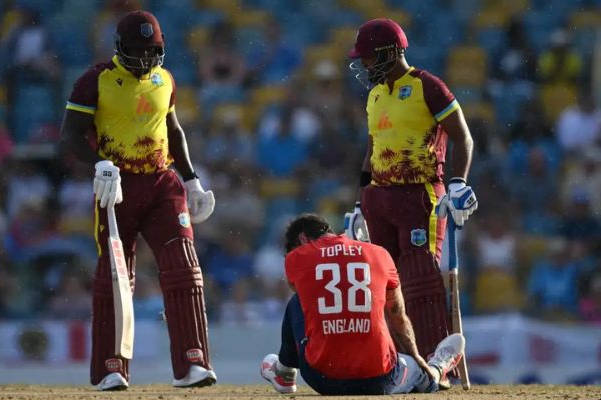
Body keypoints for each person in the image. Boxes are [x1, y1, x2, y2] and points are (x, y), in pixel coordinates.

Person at [60, 11, 217, 391]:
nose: (145, 60)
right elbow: (69, 138)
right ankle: (111, 368)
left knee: (183, 266)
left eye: (151, 51)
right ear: (119, 49)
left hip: (162, 183)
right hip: (116, 187)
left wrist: (192, 179)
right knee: (117, 276)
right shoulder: (94, 82)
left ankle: (192, 363)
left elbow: (173, 130)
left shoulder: (165, 80)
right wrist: (99, 164)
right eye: (136, 51)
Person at [346, 18, 477, 370]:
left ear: (390, 53)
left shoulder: (427, 86)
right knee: (384, 282)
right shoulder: (374, 95)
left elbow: (463, 137)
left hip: (419, 194)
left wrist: (459, 182)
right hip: (379, 197)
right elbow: (372, 150)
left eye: (369, 58)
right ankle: (399, 362)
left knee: (419, 275)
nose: (364, 65)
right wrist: (360, 202)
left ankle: (436, 362)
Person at [259, 214, 464, 395]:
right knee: (420, 376)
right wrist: (416, 358)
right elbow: (398, 317)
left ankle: (284, 372)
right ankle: (436, 368)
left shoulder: (297, 258)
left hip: (323, 379)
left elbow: (310, 299)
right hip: (379, 379)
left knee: (298, 300)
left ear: (302, 239)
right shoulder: (380, 253)